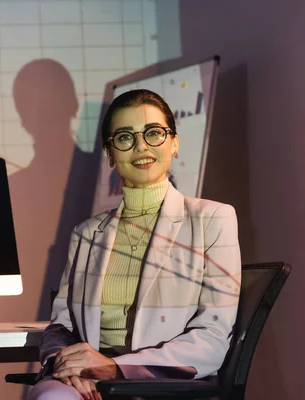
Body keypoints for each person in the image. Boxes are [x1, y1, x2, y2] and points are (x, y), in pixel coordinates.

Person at [28, 89, 241, 400]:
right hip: (86, 383)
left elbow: (212, 336)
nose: (141, 146)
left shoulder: (213, 219)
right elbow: (60, 327)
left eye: (153, 133)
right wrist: (68, 366)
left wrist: (113, 367)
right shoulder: (86, 233)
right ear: (110, 154)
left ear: (175, 142)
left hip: (160, 382)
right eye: (125, 137)